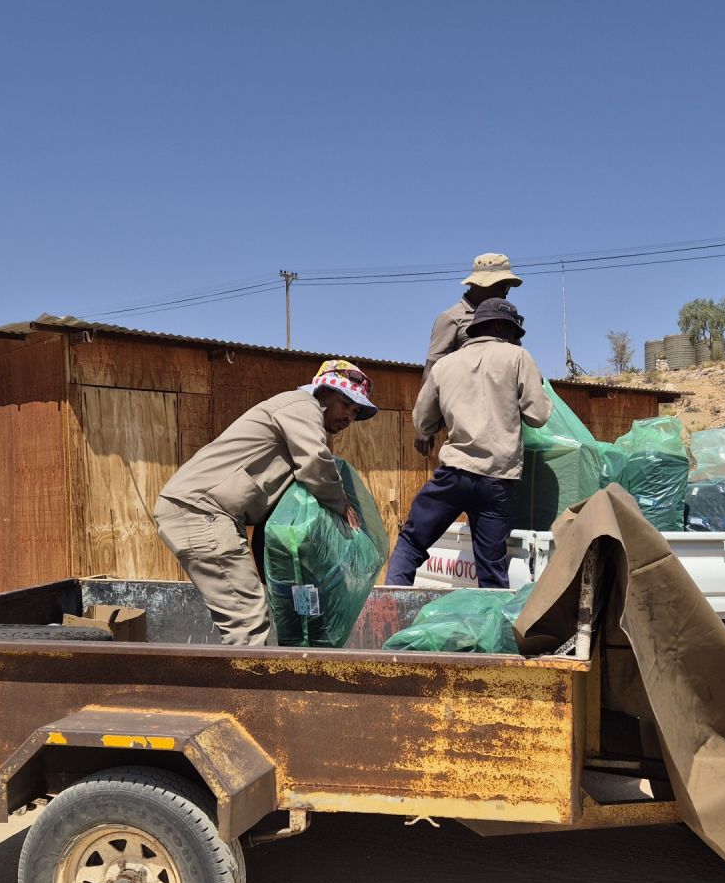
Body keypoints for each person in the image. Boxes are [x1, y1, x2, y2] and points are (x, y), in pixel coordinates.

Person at [155, 362, 376, 644]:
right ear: (324, 392)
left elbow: (271, 524)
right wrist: (342, 504)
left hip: (210, 512)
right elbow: (315, 465)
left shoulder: (295, 429)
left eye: (356, 411)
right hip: (200, 510)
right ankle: (246, 689)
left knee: (252, 610)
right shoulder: (302, 406)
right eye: (346, 404)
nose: (349, 416)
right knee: (247, 620)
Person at [387, 298, 552, 588]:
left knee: (411, 544)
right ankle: (491, 631)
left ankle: (388, 615)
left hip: (454, 475)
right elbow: (537, 416)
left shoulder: (445, 365)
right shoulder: (517, 357)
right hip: (496, 481)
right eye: (514, 333)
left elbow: (423, 422)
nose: (515, 339)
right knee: (491, 570)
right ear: (502, 327)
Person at [426, 252, 523, 367]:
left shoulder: (505, 317)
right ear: (480, 284)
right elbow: (432, 370)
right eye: (504, 287)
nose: (505, 294)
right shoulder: (451, 318)